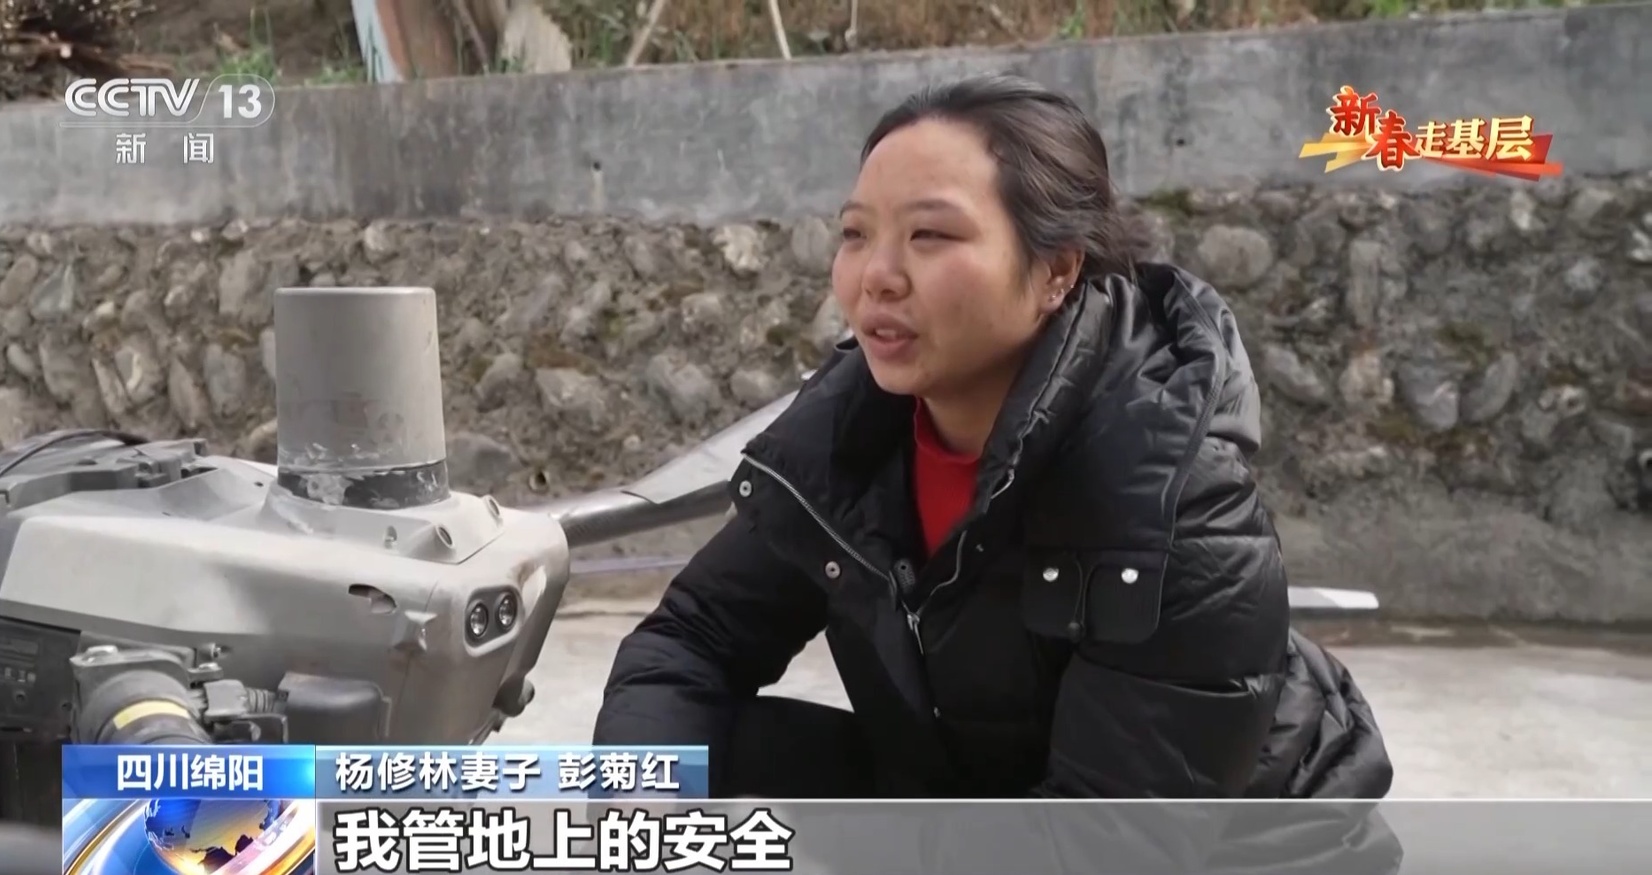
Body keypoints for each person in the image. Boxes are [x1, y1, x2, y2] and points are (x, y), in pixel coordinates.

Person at [593, 74, 1395, 800]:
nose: (876, 276)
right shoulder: (848, 442)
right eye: (856, 234)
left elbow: (1107, 840)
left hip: (1237, 843)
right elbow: (690, 639)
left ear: (1055, 271)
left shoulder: (1175, 499)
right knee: (708, 748)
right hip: (978, 794)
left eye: (930, 236)